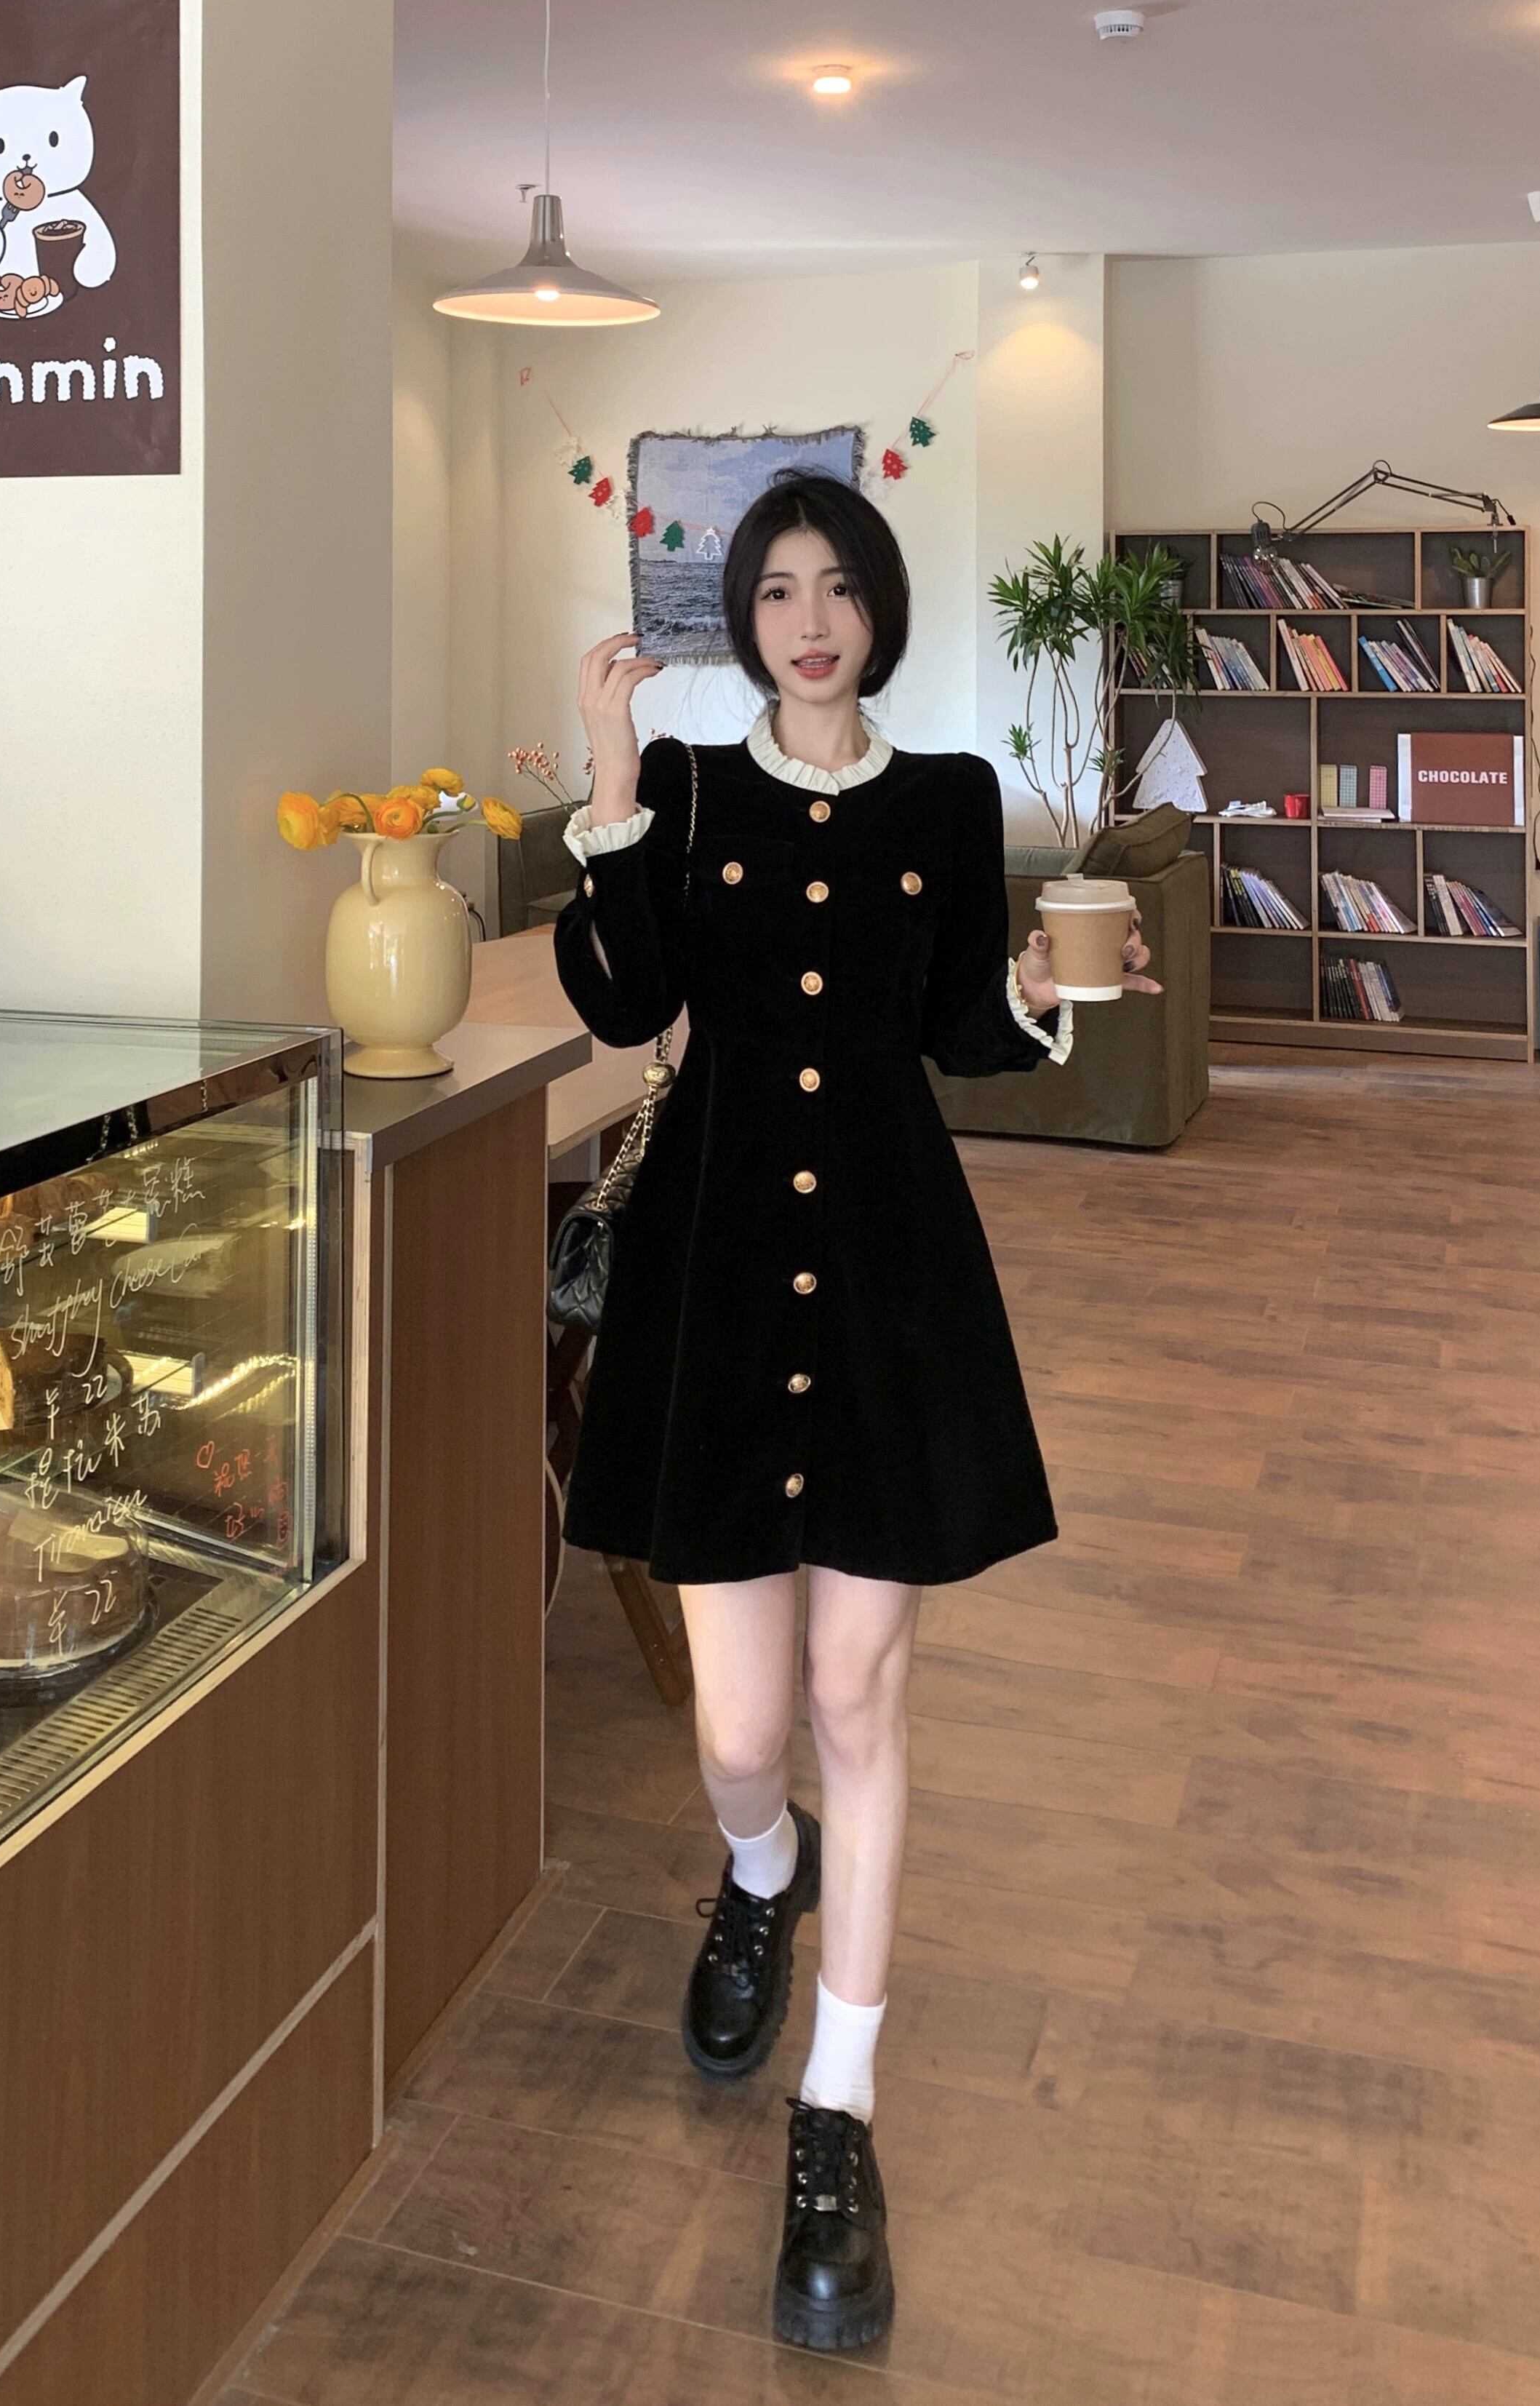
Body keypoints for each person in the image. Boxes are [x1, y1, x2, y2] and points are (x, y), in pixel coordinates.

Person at [551, 469, 1159, 2354]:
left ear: (879, 608)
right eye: (777, 593)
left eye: (837, 588)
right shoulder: (690, 792)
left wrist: (1053, 989)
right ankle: (761, 1868)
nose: (809, 621)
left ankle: (840, 2108)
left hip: (893, 1274)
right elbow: (622, 1003)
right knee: (743, 1729)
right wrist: (611, 777)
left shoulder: (949, 797)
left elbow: (954, 1026)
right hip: (718, 1278)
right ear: (742, 622)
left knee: (854, 1698)